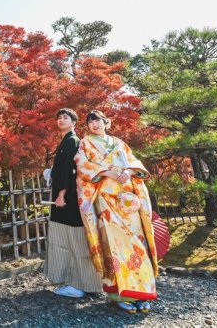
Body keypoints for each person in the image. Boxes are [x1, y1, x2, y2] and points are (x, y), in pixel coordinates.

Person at [74, 110, 158, 314]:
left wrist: (129, 171)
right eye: (90, 122)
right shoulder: (86, 142)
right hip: (106, 201)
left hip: (128, 201)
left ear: (106, 122)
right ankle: (120, 293)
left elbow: (134, 162)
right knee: (114, 245)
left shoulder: (119, 143)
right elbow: (82, 164)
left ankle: (143, 292)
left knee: (138, 243)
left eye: (97, 121)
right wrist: (106, 172)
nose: (94, 124)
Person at [44, 108, 103, 298]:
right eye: (59, 117)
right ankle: (75, 281)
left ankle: (80, 284)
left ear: (74, 123)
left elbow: (71, 171)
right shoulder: (66, 141)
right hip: (65, 199)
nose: (61, 120)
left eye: (65, 118)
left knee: (75, 241)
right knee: (66, 240)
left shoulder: (72, 141)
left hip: (68, 200)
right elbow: (60, 169)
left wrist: (61, 194)